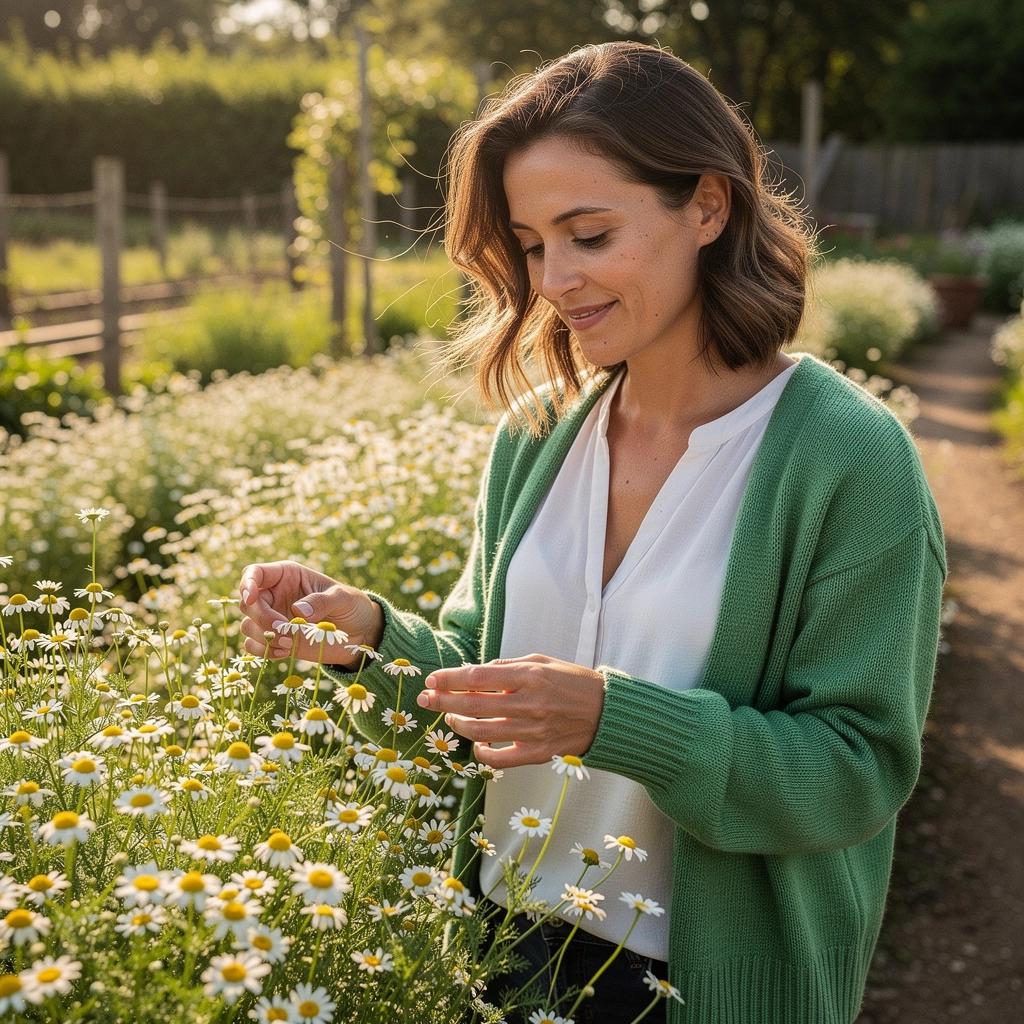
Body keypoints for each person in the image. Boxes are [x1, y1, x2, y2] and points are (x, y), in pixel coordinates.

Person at [238, 41, 947, 1024]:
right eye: (531, 244)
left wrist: (614, 720)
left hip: (702, 989)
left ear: (707, 206)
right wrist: (352, 637)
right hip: (498, 953)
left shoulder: (849, 459)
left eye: (589, 234)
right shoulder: (533, 436)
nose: (555, 279)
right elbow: (482, 690)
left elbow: (855, 771)